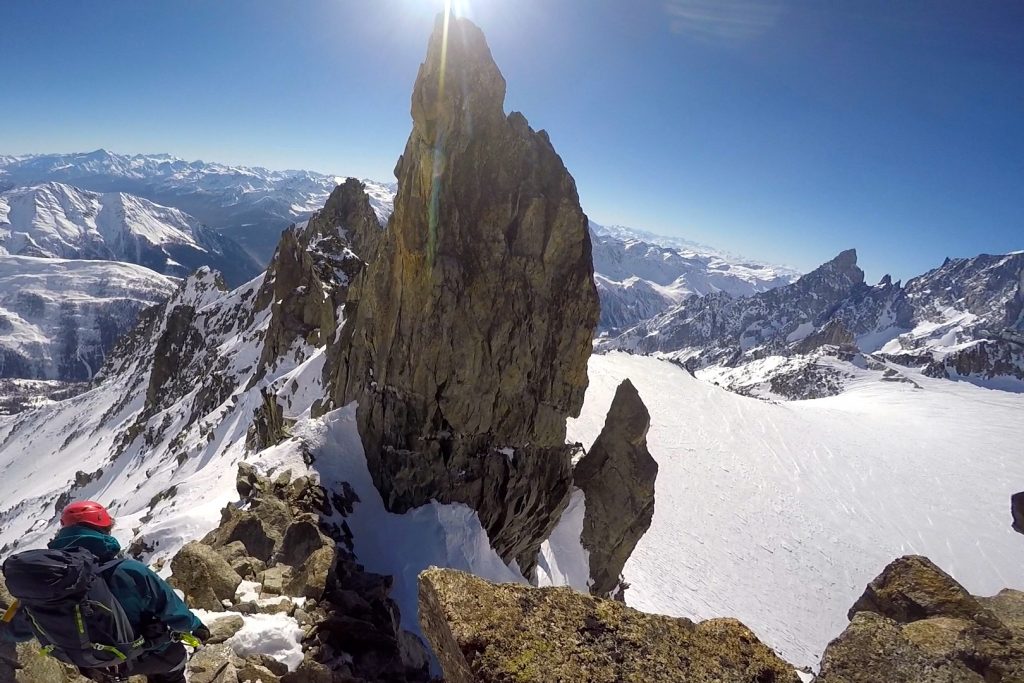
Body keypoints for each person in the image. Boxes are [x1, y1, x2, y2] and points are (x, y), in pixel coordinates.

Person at [0, 501, 210, 683]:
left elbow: (17, 629)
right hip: (144, 657)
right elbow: (173, 612)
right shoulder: (130, 571)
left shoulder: (46, 578)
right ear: (104, 530)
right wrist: (197, 627)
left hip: (87, 663)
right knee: (174, 662)